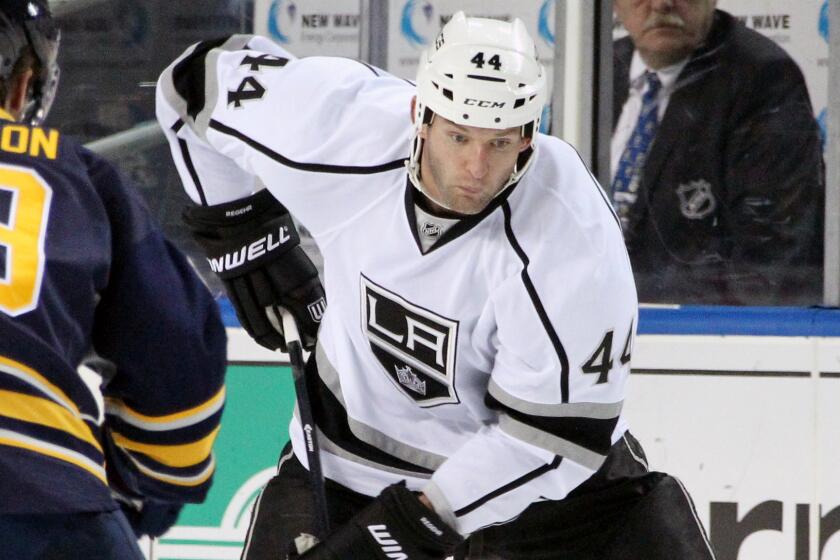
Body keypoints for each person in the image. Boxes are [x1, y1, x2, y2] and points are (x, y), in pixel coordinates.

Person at [158, 12, 715, 560]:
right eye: (458, 136)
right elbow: (192, 86)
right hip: (351, 461)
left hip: (557, 499)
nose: (475, 167)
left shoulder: (573, 237)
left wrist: (412, 522)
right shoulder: (339, 126)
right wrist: (245, 233)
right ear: (419, 113)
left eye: (500, 143)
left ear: (529, 133)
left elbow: (553, 444)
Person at [0, 1, 227, 558]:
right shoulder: (76, 176)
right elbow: (178, 356)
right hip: (41, 494)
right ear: (23, 81)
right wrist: (146, 490)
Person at [611, 0, 824, 305]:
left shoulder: (764, 79)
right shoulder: (592, 72)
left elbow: (767, 263)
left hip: (688, 332)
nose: (661, 4)